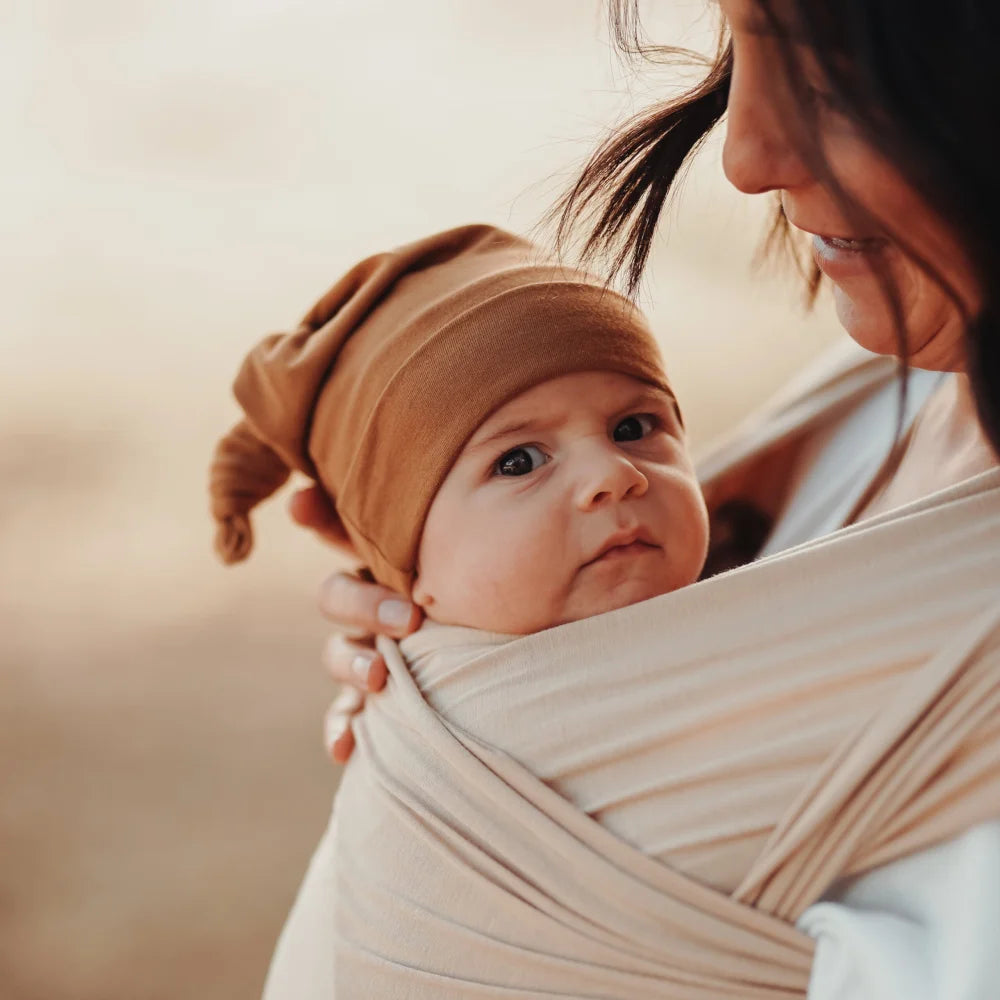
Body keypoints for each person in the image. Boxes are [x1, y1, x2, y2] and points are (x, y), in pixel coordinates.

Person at [281, 0, 1000, 996]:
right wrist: (443, 667)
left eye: (832, 78)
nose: (743, 155)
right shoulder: (885, 379)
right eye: (735, 54)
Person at [209, 223, 708, 631]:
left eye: (633, 428)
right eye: (519, 462)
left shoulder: (750, 610)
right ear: (410, 569)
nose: (614, 474)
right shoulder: (443, 727)